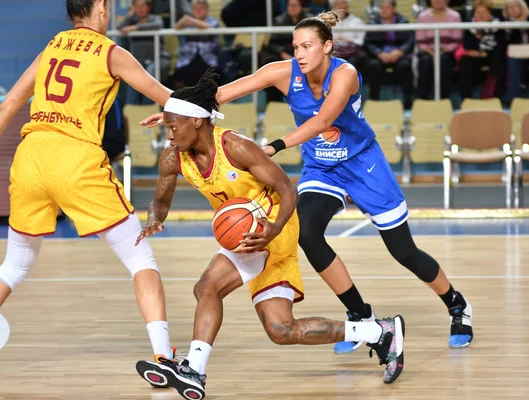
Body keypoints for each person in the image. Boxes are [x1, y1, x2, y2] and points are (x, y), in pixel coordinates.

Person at [141, 11, 474, 353]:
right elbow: (215, 95)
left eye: (307, 46)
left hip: (363, 163)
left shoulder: (345, 74)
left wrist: (272, 146)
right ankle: (361, 315)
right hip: (322, 167)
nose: (299, 53)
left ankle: (456, 304)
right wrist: (173, 112)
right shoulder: (282, 73)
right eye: (295, 46)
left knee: (403, 251)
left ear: (327, 47)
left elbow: (323, 120)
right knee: (307, 233)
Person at [134, 69, 405, 399]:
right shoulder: (173, 158)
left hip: (272, 225)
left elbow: (287, 189)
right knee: (280, 329)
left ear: (196, 122)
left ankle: (195, 368)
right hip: (250, 233)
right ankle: (378, 332)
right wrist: (153, 219)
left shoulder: (237, 147)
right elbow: (160, 201)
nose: (170, 134)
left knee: (208, 286)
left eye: (174, 125)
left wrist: (274, 229)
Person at [0, 0, 176, 367]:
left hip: (31, 156)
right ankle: (164, 355)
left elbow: (12, 100)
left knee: (14, 266)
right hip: (75, 158)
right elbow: (166, 97)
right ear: (100, 6)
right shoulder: (111, 52)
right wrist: (195, 108)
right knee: (139, 258)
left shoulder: (53, 45)